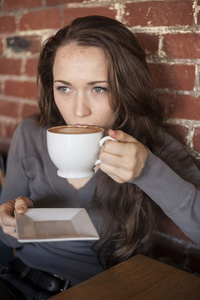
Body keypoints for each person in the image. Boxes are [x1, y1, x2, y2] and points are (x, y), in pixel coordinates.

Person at [0, 15, 200, 299]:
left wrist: (149, 172)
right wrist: (14, 222)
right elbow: (6, 237)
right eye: (64, 88)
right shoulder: (31, 134)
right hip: (17, 280)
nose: (79, 110)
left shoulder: (151, 146)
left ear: (125, 86)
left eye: (98, 88)